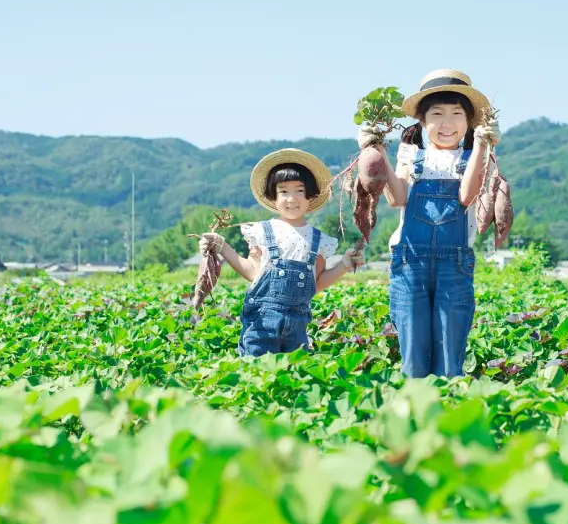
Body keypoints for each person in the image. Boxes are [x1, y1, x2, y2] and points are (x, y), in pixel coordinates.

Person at [357, 69, 501, 378]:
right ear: (422, 121)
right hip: (410, 260)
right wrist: (376, 150)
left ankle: (448, 403)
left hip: (454, 263)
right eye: (437, 114)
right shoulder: (412, 155)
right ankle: (415, 403)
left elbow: (466, 196)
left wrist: (482, 145)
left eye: (456, 114)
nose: (447, 123)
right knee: (413, 349)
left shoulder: (472, 155)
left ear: (469, 121)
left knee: (450, 350)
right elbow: (397, 197)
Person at [199, 148, 365, 357]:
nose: (291, 198)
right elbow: (252, 272)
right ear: (273, 197)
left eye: (299, 191)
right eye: (283, 191)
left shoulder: (319, 240)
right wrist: (222, 246)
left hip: (297, 327)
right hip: (261, 322)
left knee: (293, 373)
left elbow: (317, 283)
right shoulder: (261, 231)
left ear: (311, 195)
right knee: (256, 371)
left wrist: (344, 264)